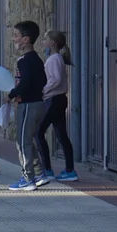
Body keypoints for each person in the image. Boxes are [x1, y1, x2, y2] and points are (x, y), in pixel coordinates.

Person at [7, 20, 48, 191]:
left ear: (26, 39)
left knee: (23, 142)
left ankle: (27, 178)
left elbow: (25, 82)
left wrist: (12, 94)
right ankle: (38, 173)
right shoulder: (36, 59)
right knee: (28, 140)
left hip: (28, 104)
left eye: (16, 36)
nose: (14, 39)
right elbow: (42, 80)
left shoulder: (24, 60)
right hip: (37, 103)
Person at [36, 30, 77, 182]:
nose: (43, 43)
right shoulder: (57, 58)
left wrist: (43, 90)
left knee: (38, 132)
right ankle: (70, 170)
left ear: (52, 43)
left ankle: (47, 170)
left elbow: (56, 79)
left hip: (53, 100)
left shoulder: (54, 59)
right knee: (61, 134)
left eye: (45, 40)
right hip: (59, 99)